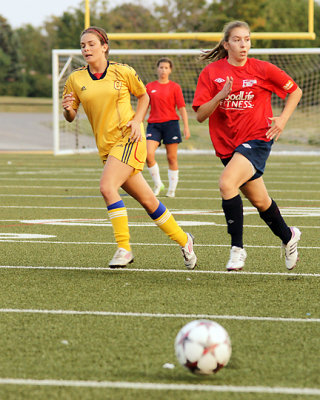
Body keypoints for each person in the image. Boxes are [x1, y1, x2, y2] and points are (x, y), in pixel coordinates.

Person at [62, 26, 197, 269]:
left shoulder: (122, 72)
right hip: (107, 148)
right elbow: (71, 116)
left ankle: (124, 248)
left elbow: (144, 96)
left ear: (104, 46)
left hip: (129, 140)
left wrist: (137, 120)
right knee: (148, 201)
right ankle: (184, 239)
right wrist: (67, 108)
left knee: (106, 187)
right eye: (83, 45)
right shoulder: (75, 78)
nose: (86, 49)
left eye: (91, 44)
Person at [192, 20, 302, 271]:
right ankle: (288, 236)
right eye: (238, 40)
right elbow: (200, 115)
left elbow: (295, 91)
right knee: (261, 201)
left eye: (247, 39)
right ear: (226, 44)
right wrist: (220, 96)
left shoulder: (262, 69)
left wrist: (283, 119)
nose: (244, 44)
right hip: (227, 146)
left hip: (257, 139)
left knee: (226, 183)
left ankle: (237, 249)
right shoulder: (212, 73)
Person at [146, 58, 191, 197]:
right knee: (148, 155)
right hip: (154, 125)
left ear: (170, 70)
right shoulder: (149, 86)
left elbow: (182, 108)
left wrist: (186, 126)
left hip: (171, 124)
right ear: (157, 69)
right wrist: (136, 123)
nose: (163, 70)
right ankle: (158, 184)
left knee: (171, 158)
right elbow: (144, 107)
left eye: (166, 68)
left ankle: (172, 189)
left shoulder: (175, 87)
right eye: (161, 67)